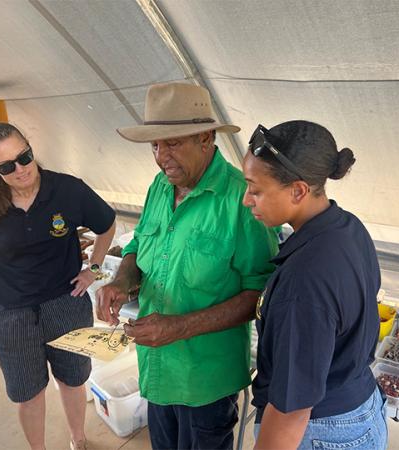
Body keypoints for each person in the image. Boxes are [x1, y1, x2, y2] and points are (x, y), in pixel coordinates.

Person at [96, 82, 278, 450]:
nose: (162, 157)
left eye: (174, 142)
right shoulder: (160, 187)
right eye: (155, 145)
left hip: (207, 380)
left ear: (206, 137)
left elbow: (260, 292)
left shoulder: (242, 199)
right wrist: (122, 280)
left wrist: (180, 327)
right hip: (157, 367)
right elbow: (139, 250)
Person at [0, 122, 116, 450]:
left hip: (66, 302)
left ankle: (78, 439)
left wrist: (93, 271)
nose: (21, 169)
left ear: (30, 147)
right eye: (7, 166)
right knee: (28, 394)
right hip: (12, 315)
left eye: (24, 157)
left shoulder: (67, 190)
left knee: (72, 380)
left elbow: (106, 224)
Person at [242, 121, 387, 450]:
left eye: (255, 189)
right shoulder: (348, 226)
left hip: (323, 430)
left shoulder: (303, 281)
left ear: (297, 190)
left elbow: (292, 410)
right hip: (363, 407)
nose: (246, 200)